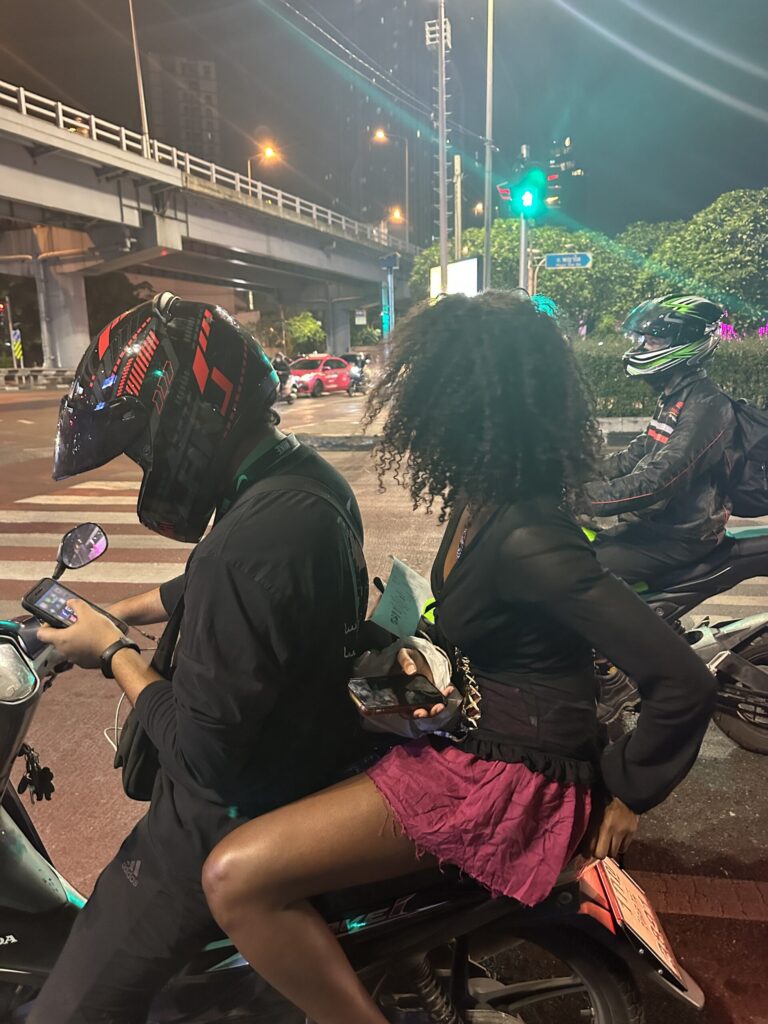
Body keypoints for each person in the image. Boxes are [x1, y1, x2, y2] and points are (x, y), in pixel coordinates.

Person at [201, 291, 718, 1024]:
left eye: (429, 391)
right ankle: (402, 970)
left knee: (234, 878)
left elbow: (682, 681)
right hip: (473, 737)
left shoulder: (530, 535)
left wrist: (630, 791)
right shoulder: (481, 500)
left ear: (470, 407)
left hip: (513, 778)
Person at [28, 293, 368, 1024]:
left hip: (216, 819)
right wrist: (118, 611)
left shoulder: (246, 545)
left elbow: (202, 754)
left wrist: (112, 651)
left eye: (143, 447)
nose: (145, 466)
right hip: (292, 764)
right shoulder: (300, 484)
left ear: (187, 413)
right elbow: (206, 583)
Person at [583, 293, 736, 585]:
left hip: (680, 536)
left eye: (652, 340)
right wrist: (570, 474)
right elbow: (632, 457)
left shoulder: (706, 405)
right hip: (653, 526)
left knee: (578, 571)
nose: (641, 347)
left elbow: (660, 480)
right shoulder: (674, 397)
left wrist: (583, 498)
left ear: (684, 343)